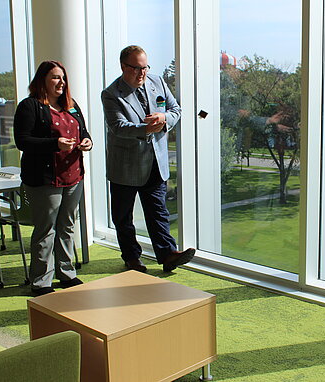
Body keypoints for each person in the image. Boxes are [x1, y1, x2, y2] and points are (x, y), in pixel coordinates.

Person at [102, 45, 195, 273]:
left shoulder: (158, 82)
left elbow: (176, 110)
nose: (142, 73)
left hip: (155, 161)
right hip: (125, 166)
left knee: (158, 211)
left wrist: (163, 117)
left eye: (145, 67)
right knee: (123, 217)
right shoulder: (111, 94)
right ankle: (132, 257)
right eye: (136, 68)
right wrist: (147, 129)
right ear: (124, 66)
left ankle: (167, 254)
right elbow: (117, 127)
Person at [14, 60, 92, 296]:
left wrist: (88, 141)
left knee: (67, 226)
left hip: (73, 175)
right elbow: (23, 141)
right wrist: (54, 144)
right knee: (46, 229)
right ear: (43, 81)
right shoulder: (30, 106)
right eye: (55, 78)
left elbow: (83, 131)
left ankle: (66, 274)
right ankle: (40, 281)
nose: (61, 82)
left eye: (62, 77)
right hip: (45, 178)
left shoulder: (71, 105)